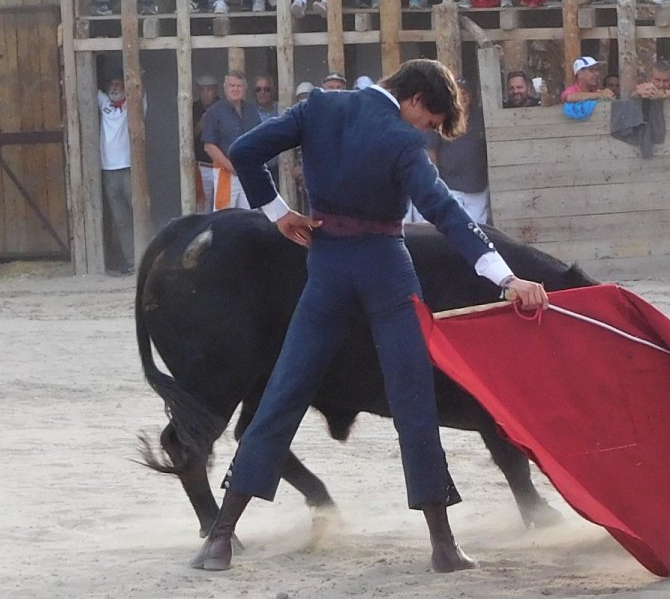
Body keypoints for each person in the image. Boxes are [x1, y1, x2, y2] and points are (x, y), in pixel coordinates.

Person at [188, 58, 550, 574]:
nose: (425, 130)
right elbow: (446, 213)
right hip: (384, 269)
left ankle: (219, 539)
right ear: (418, 101)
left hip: (327, 267)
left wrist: (278, 213)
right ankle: (443, 546)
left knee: (284, 392)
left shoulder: (319, 107)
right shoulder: (403, 142)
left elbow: (246, 153)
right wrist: (506, 278)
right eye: (429, 122)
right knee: (413, 400)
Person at [425, 78, 491, 223]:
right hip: (450, 187)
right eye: (459, 92)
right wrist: (436, 180)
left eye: (466, 92)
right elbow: (432, 151)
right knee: (452, 229)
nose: (463, 96)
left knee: (478, 231)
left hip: (478, 188)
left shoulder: (482, 117)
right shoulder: (442, 118)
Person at [97, 70, 139, 275]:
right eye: (111, 84)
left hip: (130, 168)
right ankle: (131, 260)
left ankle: (144, 257)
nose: (114, 88)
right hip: (108, 170)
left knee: (138, 214)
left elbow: (140, 90)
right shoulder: (104, 102)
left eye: (118, 84)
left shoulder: (133, 105)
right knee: (121, 219)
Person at [202, 71, 262, 210]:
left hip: (249, 173)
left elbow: (259, 138)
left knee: (251, 216)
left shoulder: (252, 110)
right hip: (226, 173)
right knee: (226, 217)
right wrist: (232, 167)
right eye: (232, 86)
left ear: (245, 89)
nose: (235, 89)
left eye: (239, 86)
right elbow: (209, 146)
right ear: (225, 88)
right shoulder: (215, 111)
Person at [193, 74, 221, 212]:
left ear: (215, 91)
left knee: (222, 207)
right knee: (203, 210)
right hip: (201, 166)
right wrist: (201, 124)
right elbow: (187, 138)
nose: (206, 93)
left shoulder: (223, 108)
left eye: (209, 90)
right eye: (202, 90)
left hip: (221, 166)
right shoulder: (192, 109)